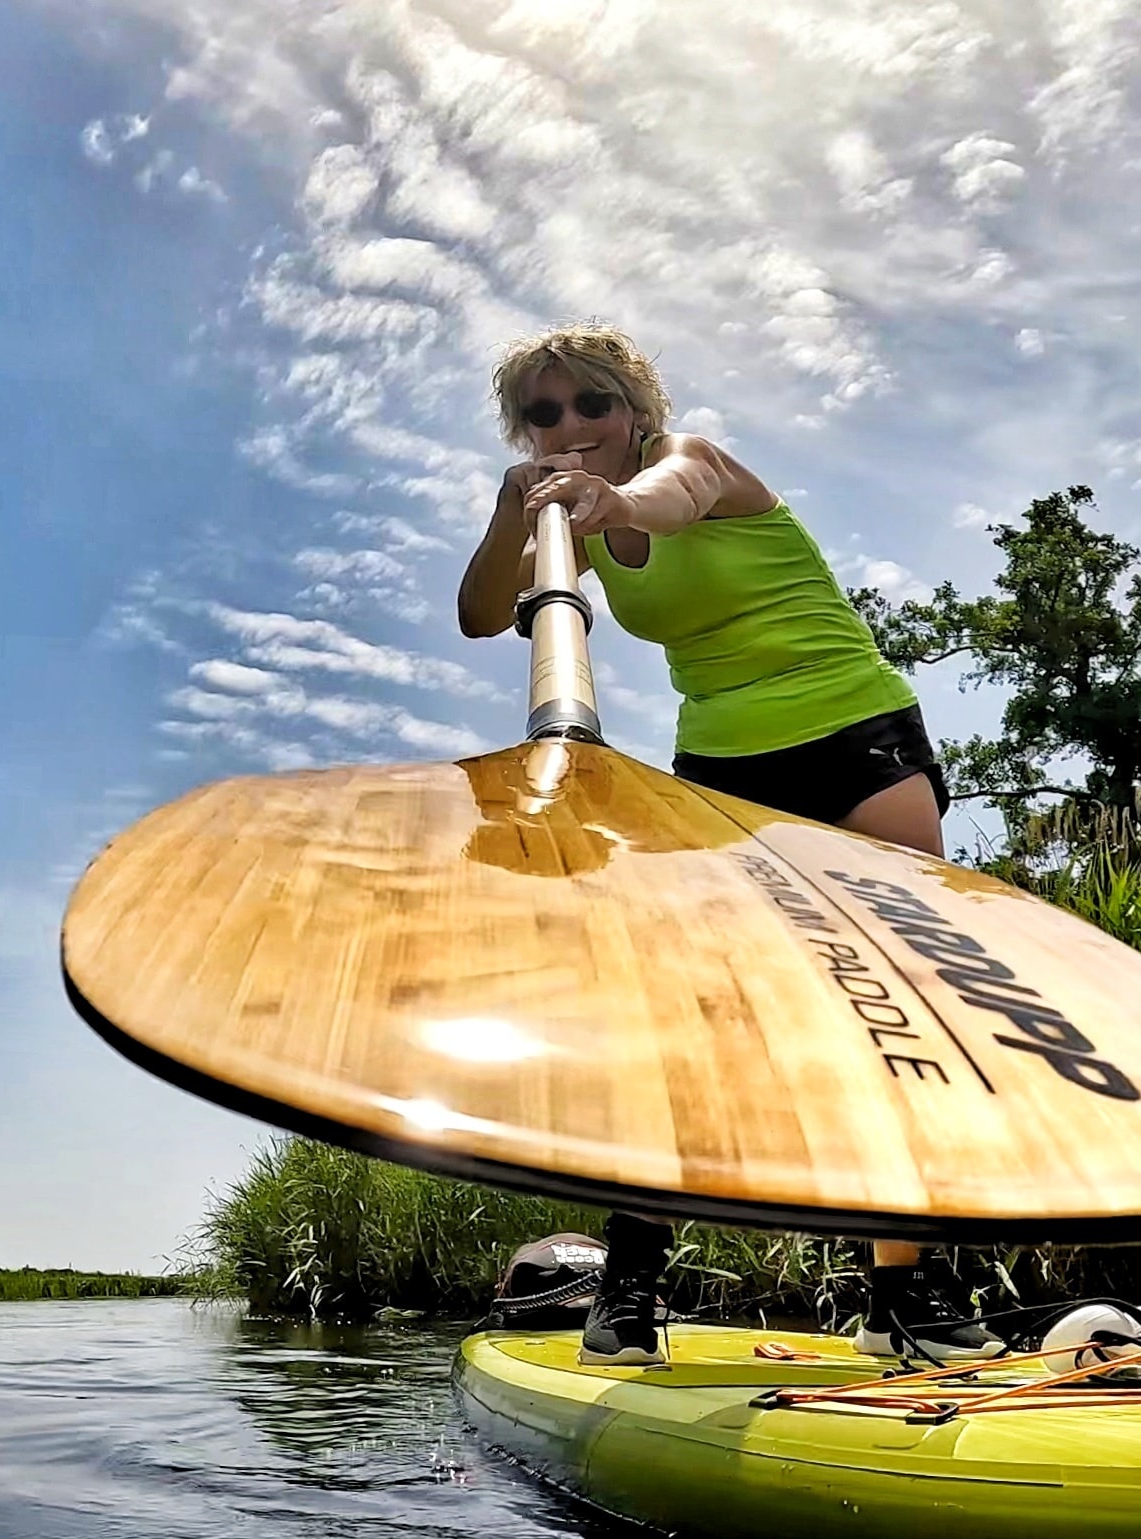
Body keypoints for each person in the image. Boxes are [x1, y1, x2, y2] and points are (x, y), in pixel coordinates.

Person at [458, 321, 1003, 1367]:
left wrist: (612, 503)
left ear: (634, 412)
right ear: (525, 432)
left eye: (593, 405)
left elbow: (671, 500)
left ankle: (913, 1299)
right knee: (695, 1025)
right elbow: (485, 615)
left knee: (893, 1014)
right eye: (545, 413)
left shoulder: (688, 461)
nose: (573, 427)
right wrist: (509, 515)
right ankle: (628, 1294)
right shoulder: (556, 519)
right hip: (721, 768)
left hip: (854, 739)